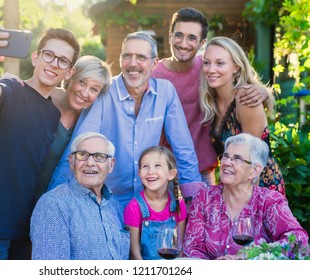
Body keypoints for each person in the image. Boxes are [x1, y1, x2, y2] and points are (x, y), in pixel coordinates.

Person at [49, 31, 205, 208]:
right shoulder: (105, 93)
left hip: (150, 202)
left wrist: (196, 202)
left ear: (154, 64)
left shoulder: (165, 92)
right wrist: (53, 202)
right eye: (127, 56)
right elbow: (78, 148)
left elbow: (183, 149)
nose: (133, 63)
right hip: (108, 202)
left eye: (140, 57)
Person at [0, 22, 80, 260]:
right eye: (49, 55)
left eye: (63, 61)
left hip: (26, 224)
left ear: (69, 71)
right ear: (36, 57)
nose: (54, 64)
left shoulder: (53, 114)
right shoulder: (12, 88)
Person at [151, 7, 269, 186]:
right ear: (170, 36)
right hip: (163, 170)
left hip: (203, 170)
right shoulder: (153, 75)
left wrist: (263, 91)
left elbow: (234, 80)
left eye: (192, 37)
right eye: (179, 35)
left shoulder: (206, 67)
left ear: (202, 43)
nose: (184, 43)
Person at [0, 55, 112, 200]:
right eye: (81, 82)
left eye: (94, 89)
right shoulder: (40, 96)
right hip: (12, 195)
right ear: (70, 76)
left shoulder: (87, 123)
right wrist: (2, 90)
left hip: (52, 203)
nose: (85, 93)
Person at [183, 133, 308, 260]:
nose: (227, 162)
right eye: (225, 156)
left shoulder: (269, 202)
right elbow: (192, 247)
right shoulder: (205, 198)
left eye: (237, 158)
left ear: (254, 171)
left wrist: (256, 254)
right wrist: (214, 265)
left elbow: (298, 239)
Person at [200, 36, 285, 195]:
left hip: (259, 189)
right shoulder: (211, 101)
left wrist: (248, 204)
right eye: (206, 62)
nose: (211, 69)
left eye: (220, 63)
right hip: (233, 187)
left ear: (236, 67)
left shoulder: (245, 98)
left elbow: (253, 160)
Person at [30, 132, 130, 260]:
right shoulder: (53, 204)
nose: (90, 162)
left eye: (99, 156)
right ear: (71, 162)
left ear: (110, 165)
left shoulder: (115, 206)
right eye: (82, 155)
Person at [124, 146, 187, 260]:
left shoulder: (178, 204)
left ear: (171, 174)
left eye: (157, 166)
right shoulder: (134, 207)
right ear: (139, 173)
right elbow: (134, 253)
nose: (151, 171)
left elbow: (179, 248)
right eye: (145, 166)